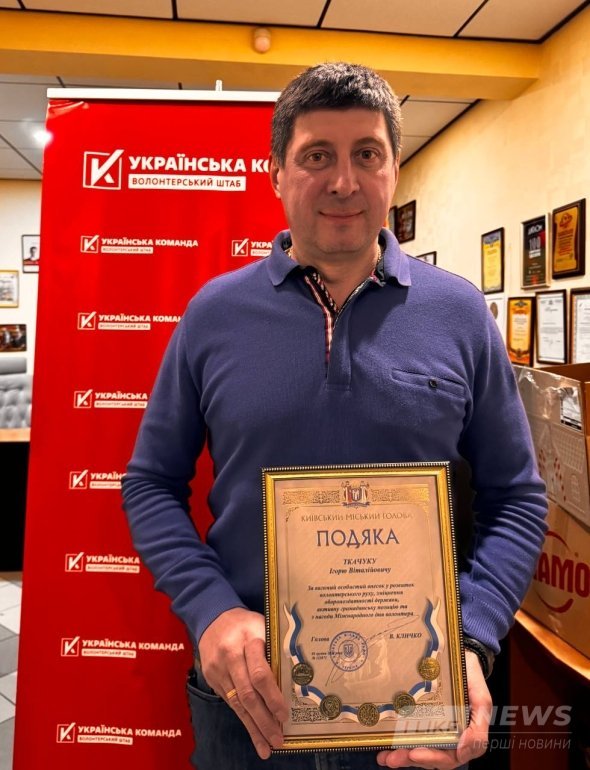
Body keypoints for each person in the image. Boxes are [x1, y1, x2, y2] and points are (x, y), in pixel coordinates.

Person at [122, 62, 547, 770]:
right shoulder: (213, 316)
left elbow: (517, 496)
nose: (344, 181)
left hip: (417, 699)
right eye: (317, 155)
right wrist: (209, 609)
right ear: (277, 175)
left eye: (367, 154)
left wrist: (472, 636)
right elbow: (150, 483)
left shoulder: (460, 313)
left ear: (394, 170)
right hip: (251, 700)